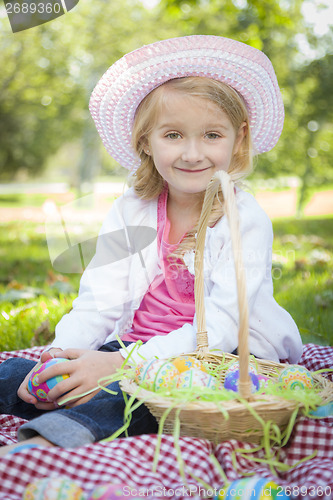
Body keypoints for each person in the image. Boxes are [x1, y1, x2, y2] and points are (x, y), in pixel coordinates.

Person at [0, 35, 302, 454]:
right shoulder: (132, 209)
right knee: (29, 374)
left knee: (143, 400)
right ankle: (69, 401)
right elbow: (99, 300)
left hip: (212, 358)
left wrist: (119, 367)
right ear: (145, 140)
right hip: (132, 346)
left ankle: (52, 437)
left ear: (239, 137)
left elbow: (221, 327)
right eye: (173, 135)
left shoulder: (244, 220)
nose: (193, 154)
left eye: (212, 135)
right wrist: (62, 353)